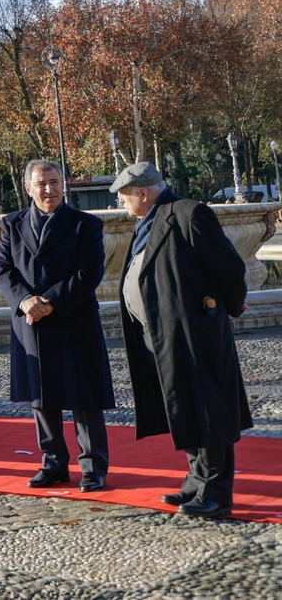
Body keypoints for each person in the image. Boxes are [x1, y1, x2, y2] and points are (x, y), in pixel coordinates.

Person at [112, 161, 251, 519]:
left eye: (124, 197)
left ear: (143, 193)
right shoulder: (147, 219)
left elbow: (230, 268)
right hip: (160, 335)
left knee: (209, 411)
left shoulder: (189, 213)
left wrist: (228, 308)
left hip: (193, 335)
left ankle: (216, 494)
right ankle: (196, 479)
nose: (122, 204)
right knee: (184, 408)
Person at [0, 159, 113, 492]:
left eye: (55, 181)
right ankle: (53, 464)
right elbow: (2, 269)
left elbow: (89, 272)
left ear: (64, 184)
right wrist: (24, 301)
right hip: (30, 322)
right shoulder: (12, 224)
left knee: (84, 398)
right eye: (42, 183)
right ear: (28, 188)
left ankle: (93, 467)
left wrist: (48, 302)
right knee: (41, 396)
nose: (49, 189)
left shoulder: (85, 225)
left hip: (74, 319)